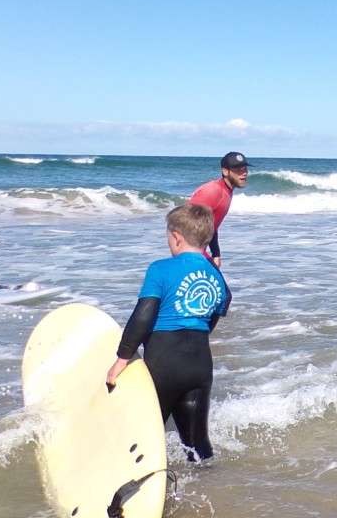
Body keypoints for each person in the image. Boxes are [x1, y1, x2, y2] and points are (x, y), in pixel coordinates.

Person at [107, 204, 231, 463]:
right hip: (199, 366)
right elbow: (218, 310)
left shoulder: (160, 269)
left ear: (176, 236)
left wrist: (121, 359)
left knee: (142, 437)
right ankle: (208, 487)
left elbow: (143, 315)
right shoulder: (216, 277)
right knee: (197, 444)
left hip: (164, 364)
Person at [188, 151, 250, 269]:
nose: (244, 173)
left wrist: (216, 253)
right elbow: (185, 226)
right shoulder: (212, 191)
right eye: (238, 170)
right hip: (191, 255)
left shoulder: (227, 191)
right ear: (225, 171)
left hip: (197, 254)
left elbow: (211, 225)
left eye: (245, 169)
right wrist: (203, 259)